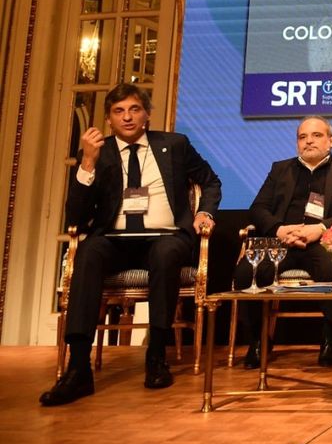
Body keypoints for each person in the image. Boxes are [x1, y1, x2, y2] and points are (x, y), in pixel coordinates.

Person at [40, 83, 221, 406]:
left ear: (147, 115)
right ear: (109, 119)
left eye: (134, 109)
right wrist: (87, 165)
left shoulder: (174, 145)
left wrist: (204, 212)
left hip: (166, 234)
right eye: (119, 111)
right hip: (114, 238)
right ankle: (78, 367)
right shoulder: (98, 153)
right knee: (87, 252)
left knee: (166, 254)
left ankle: (156, 357)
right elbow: (77, 217)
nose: (127, 117)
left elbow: (210, 180)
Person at [234, 115, 332, 367]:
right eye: (302, 137)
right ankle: (259, 339)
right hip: (281, 242)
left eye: (316, 135)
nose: (308, 142)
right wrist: (279, 229)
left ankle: (329, 337)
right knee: (245, 272)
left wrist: (319, 228)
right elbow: (258, 208)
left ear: (331, 141)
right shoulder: (280, 169)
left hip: (323, 242)